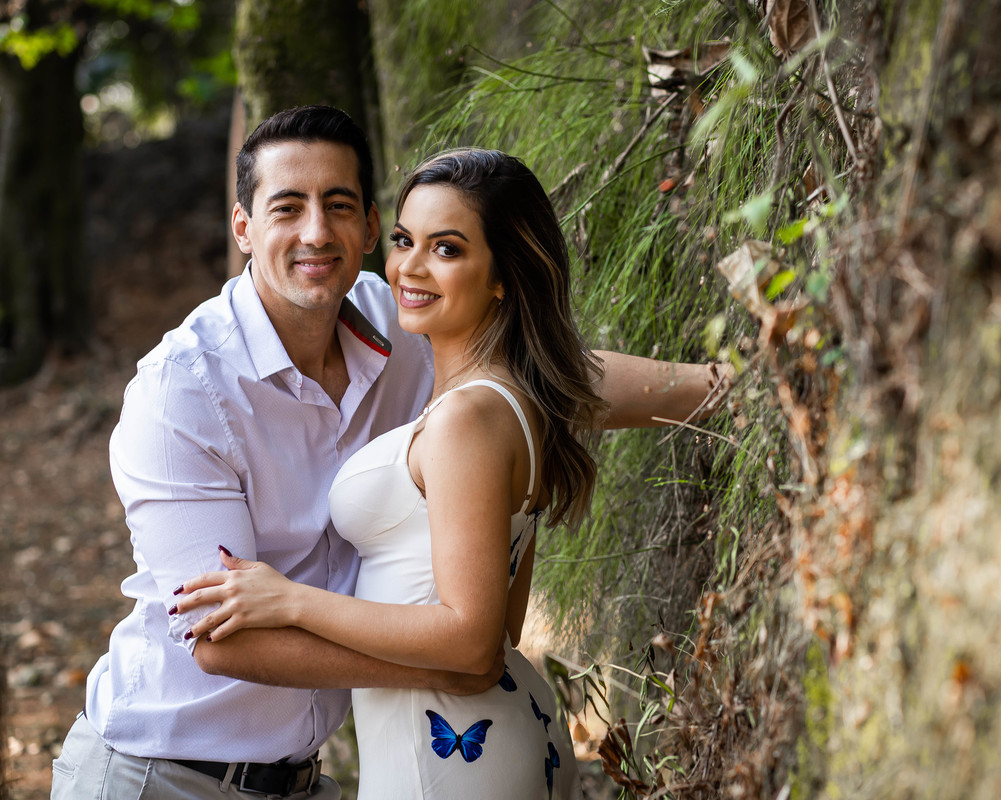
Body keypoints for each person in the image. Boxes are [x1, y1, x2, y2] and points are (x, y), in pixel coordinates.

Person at [50, 106, 727, 799]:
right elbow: (223, 639)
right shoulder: (182, 393)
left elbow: (550, 374)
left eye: (338, 205)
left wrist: (720, 388)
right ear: (244, 228)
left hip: (310, 777)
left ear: (369, 226)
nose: (316, 231)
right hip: (159, 775)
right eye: (287, 207)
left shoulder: (399, 319)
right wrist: (460, 666)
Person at [175, 146, 612, 798]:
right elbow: (505, 627)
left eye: (448, 249)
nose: (408, 266)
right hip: (490, 732)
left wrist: (293, 600)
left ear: (503, 276)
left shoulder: (466, 418)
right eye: (406, 239)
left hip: (448, 756)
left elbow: (472, 641)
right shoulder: (510, 404)